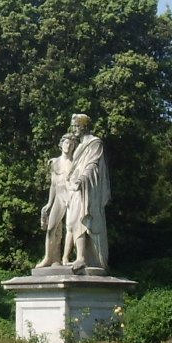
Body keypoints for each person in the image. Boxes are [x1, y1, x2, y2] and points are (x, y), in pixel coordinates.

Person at [64, 114, 110, 272]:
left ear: (84, 126)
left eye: (77, 126)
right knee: (74, 222)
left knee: (82, 220)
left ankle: (81, 258)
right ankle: (76, 257)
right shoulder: (79, 145)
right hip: (76, 188)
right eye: (73, 126)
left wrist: (82, 179)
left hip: (87, 188)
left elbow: (93, 164)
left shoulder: (95, 142)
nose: (74, 129)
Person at [36, 131, 80, 268]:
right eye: (67, 143)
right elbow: (53, 184)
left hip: (71, 197)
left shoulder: (75, 162)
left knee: (71, 228)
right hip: (59, 197)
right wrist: (49, 203)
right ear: (61, 144)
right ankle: (48, 258)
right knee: (51, 228)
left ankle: (66, 258)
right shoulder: (55, 162)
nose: (69, 146)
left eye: (71, 145)